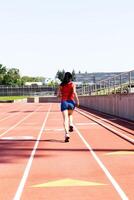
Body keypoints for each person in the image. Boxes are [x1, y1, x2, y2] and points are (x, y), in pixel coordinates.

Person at [57, 72, 79, 142]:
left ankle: (67, 134)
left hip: (64, 102)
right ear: (70, 77)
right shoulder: (73, 84)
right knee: (70, 115)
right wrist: (77, 101)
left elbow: (58, 95)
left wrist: (61, 95)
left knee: (65, 119)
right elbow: (75, 93)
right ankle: (71, 124)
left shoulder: (61, 85)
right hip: (71, 102)